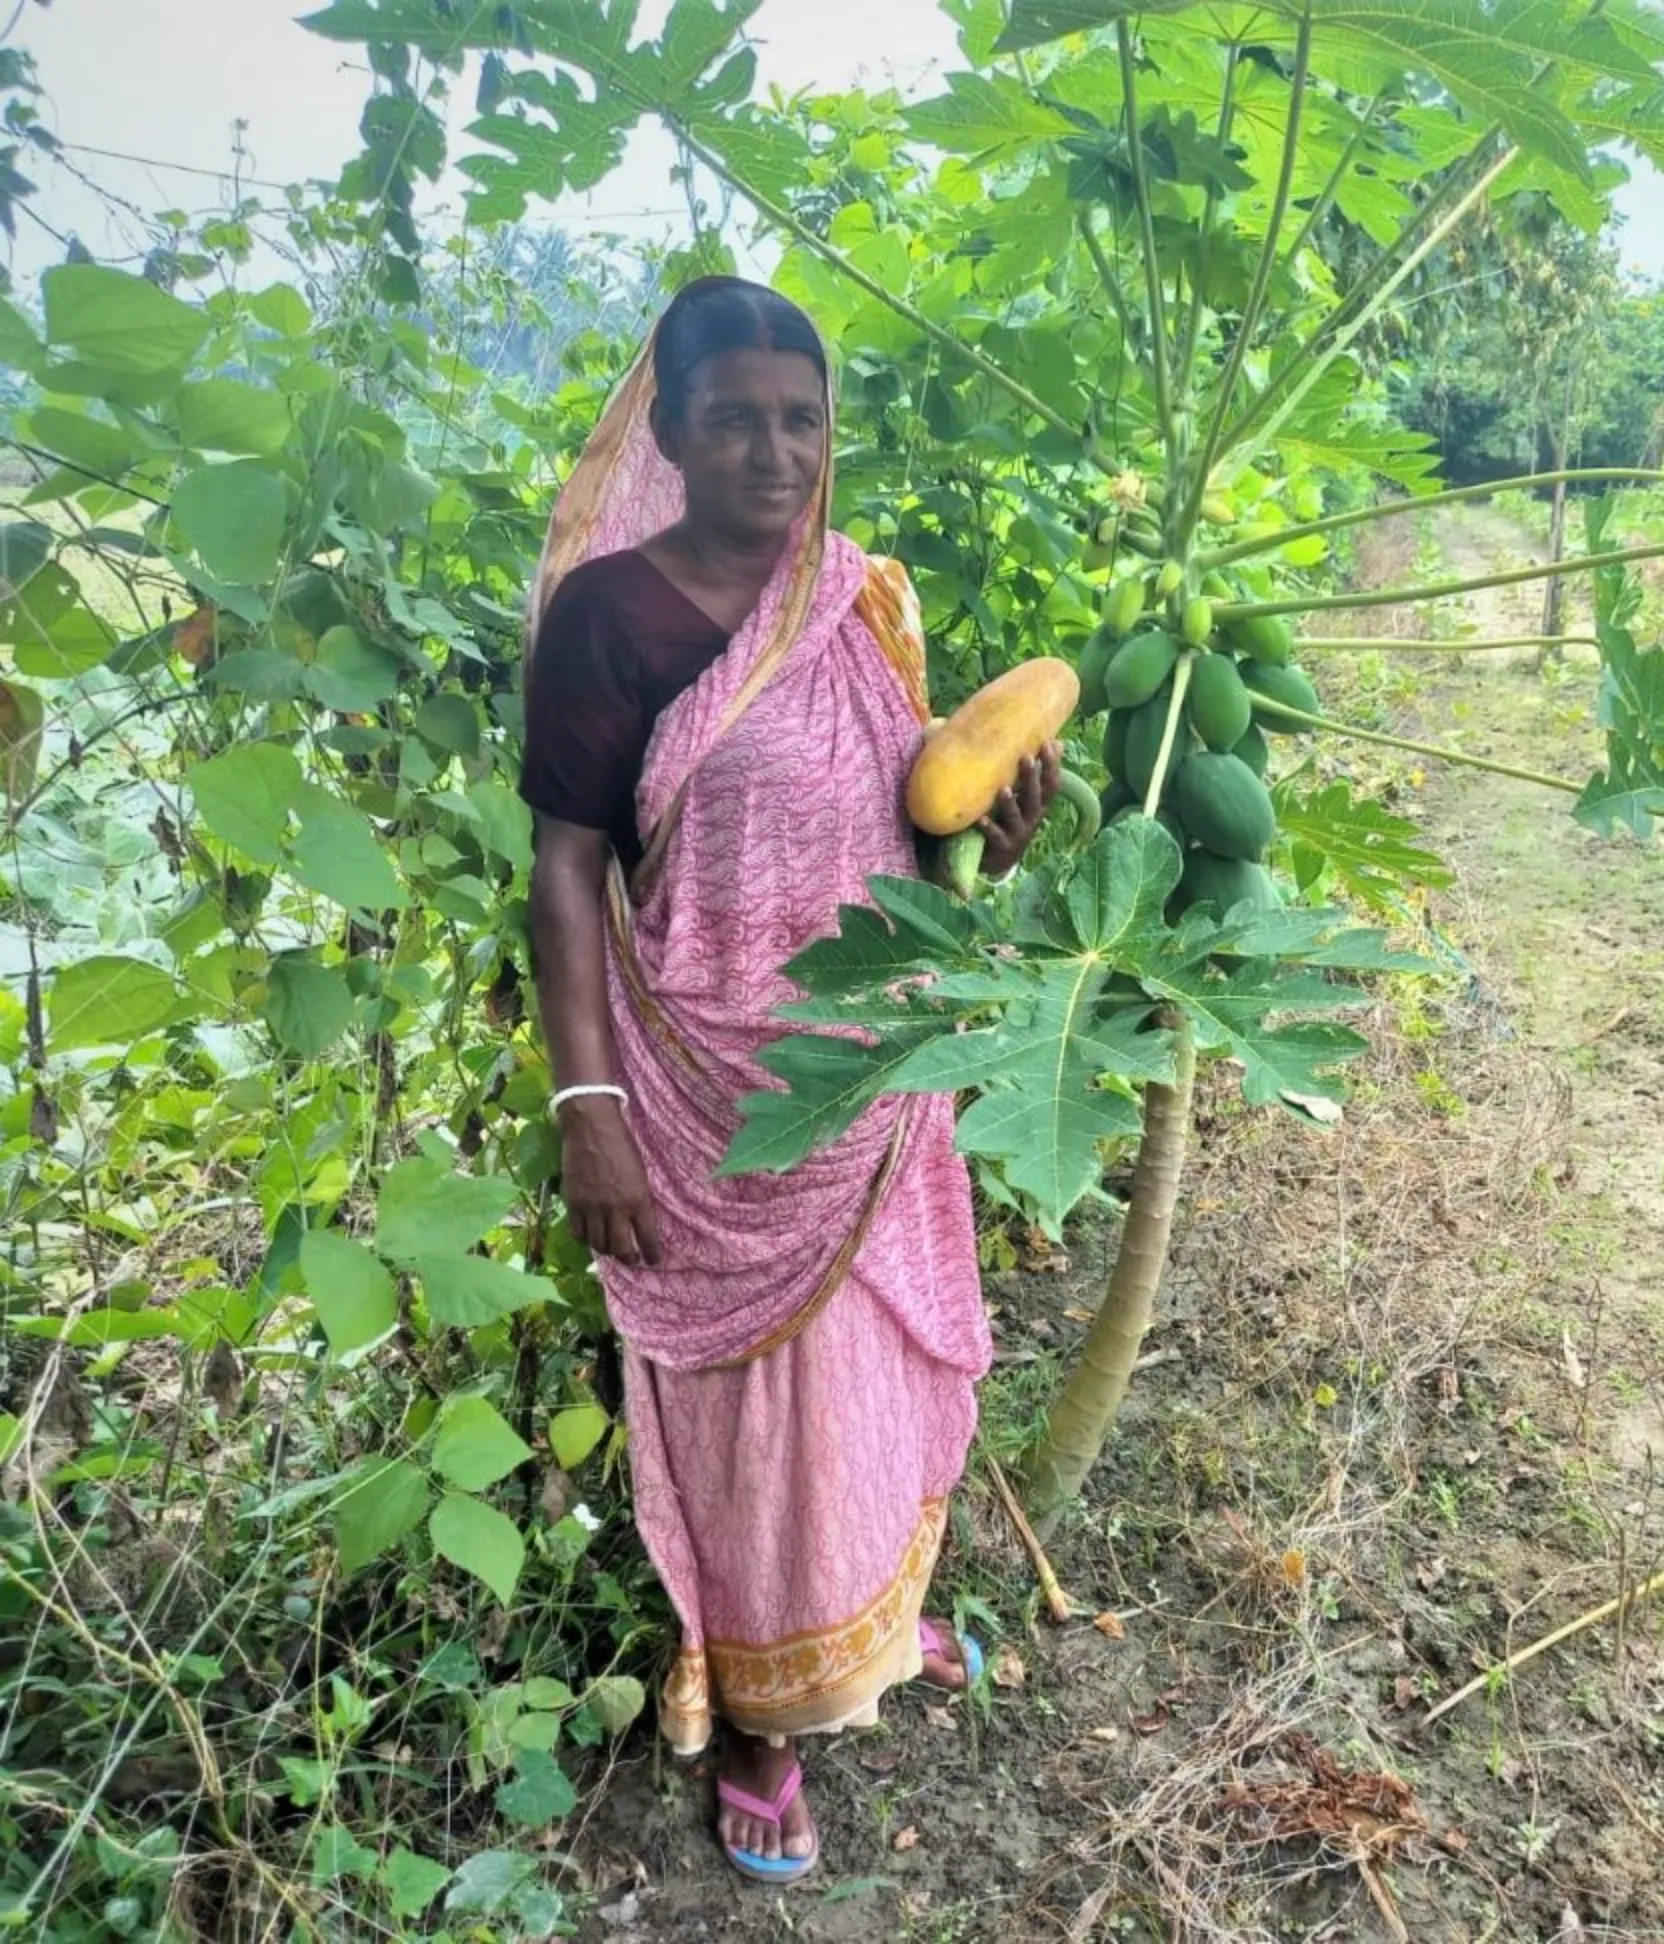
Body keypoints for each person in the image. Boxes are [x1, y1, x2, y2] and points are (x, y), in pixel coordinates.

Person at [517, 276, 1060, 1883]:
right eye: (735, 417)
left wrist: (992, 844)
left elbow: (905, 822)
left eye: (801, 418)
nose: (774, 450)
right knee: (752, 1417)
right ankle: (756, 1709)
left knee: (872, 1379)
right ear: (667, 430)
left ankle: (866, 1641)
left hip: (868, 1074)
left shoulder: (859, 601)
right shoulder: (611, 619)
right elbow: (562, 873)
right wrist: (588, 1107)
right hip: (697, 1094)